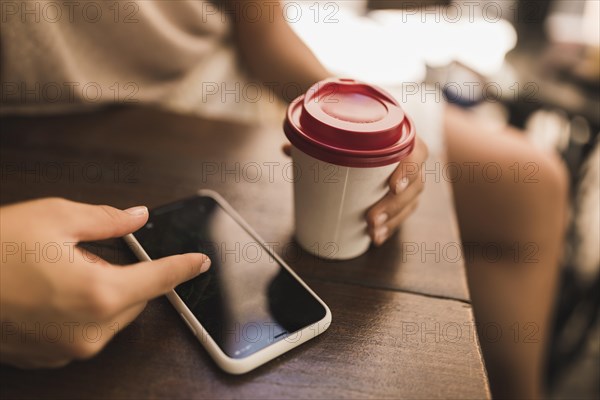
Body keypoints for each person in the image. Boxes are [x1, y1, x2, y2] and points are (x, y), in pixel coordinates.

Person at [0, 1, 567, 398]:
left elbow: (265, 34)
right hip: (38, 132)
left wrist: (345, 115)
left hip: (226, 96)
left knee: (531, 182)